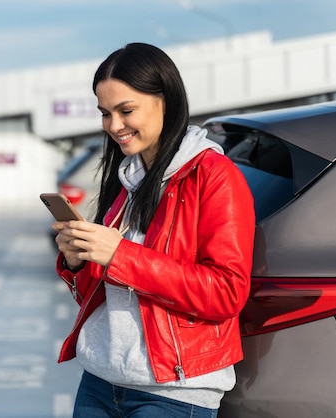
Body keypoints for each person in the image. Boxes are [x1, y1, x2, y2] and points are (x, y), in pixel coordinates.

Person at [51, 42, 255, 418]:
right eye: (105, 113)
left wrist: (120, 255)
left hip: (174, 390)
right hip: (100, 380)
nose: (114, 126)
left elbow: (227, 292)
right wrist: (79, 262)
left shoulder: (214, 176)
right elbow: (106, 296)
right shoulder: (128, 178)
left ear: (166, 100)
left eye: (126, 110)